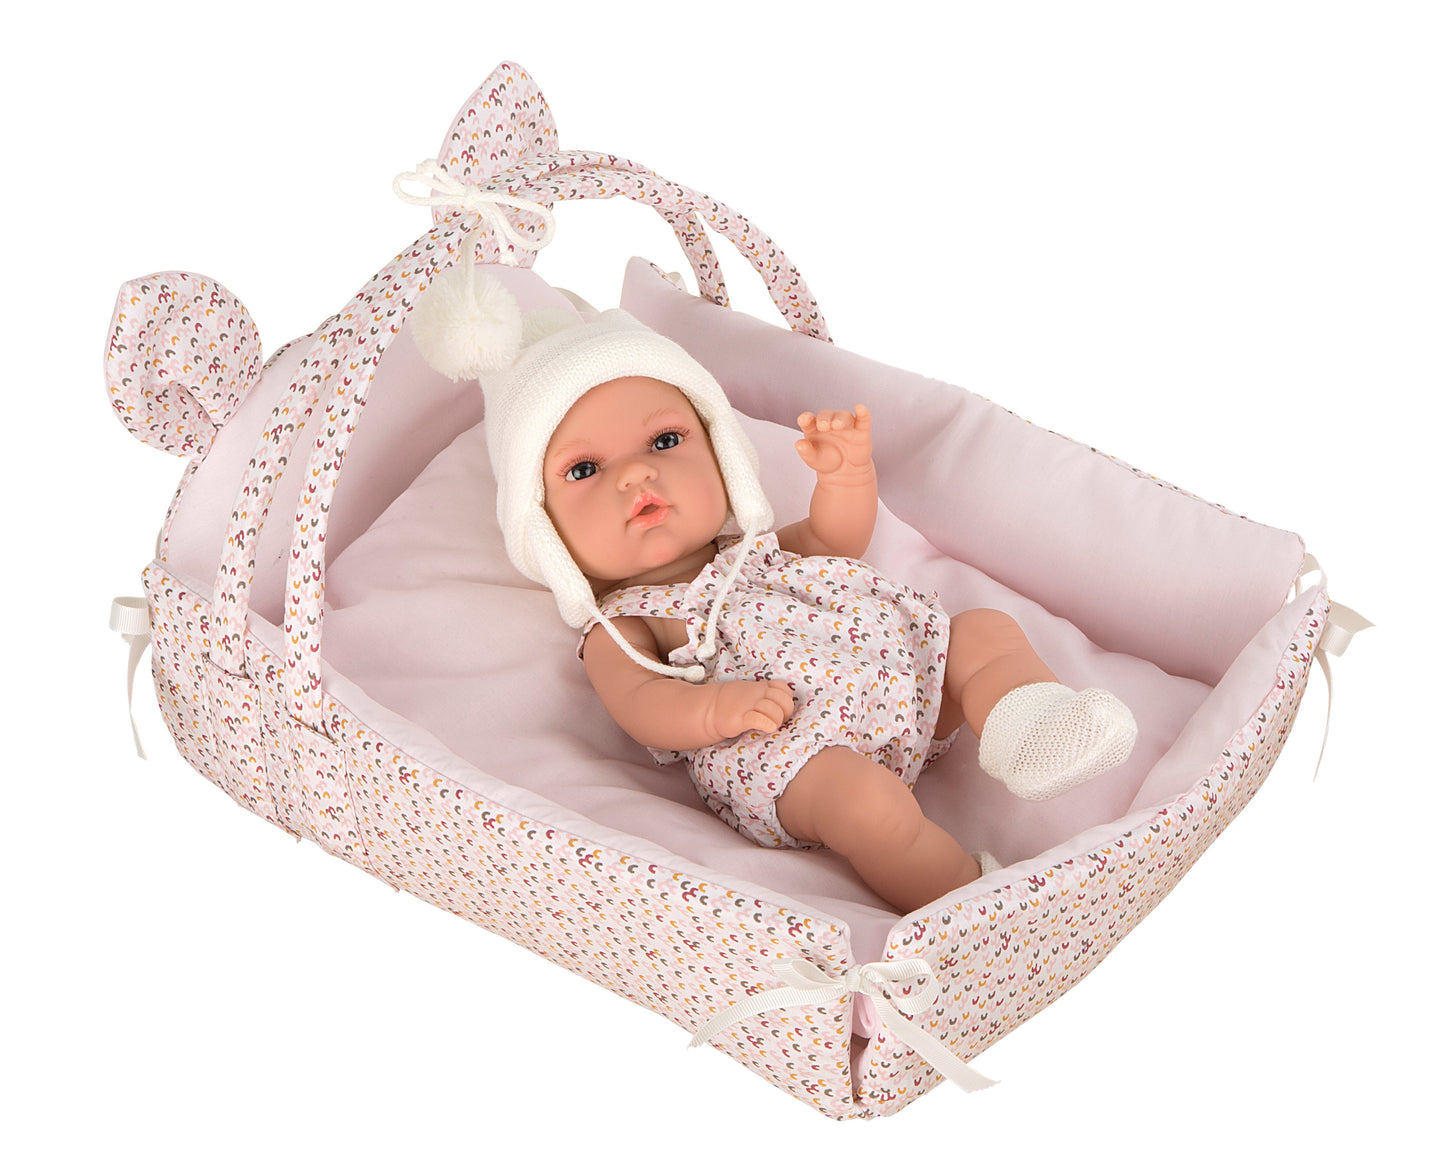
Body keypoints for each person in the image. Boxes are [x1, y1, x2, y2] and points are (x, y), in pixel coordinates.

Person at [477, 304, 1137, 914]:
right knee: (870, 809)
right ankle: (967, 904)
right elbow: (640, 703)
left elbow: (832, 538)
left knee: (984, 632)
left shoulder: (752, 550)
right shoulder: (624, 623)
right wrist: (713, 711)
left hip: (903, 684)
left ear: (723, 458)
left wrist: (847, 477)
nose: (635, 474)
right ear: (545, 533)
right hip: (793, 754)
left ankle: (1029, 726)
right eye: (584, 470)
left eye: (664, 441)